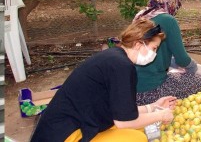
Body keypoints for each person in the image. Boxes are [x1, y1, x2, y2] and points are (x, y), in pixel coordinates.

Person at [31, 19, 176, 142]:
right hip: (66, 135)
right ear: (139, 44)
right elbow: (123, 122)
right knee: (137, 138)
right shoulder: (122, 66)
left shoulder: (114, 57)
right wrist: (161, 115)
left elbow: (121, 111)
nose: (154, 54)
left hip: (68, 126)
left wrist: (153, 107)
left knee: (142, 128)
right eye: (154, 48)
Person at [133, 0, 201, 105]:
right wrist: (194, 69)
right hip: (150, 92)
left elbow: (159, 56)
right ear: (173, 4)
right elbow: (182, 59)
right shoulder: (168, 20)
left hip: (131, 91)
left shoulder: (141, 16)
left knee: (175, 74)